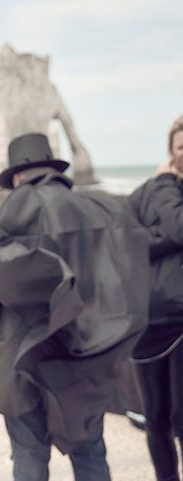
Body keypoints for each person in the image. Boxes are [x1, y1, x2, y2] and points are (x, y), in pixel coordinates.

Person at [0, 132, 150, 481]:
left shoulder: (5, 214)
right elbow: (125, 272)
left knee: (29, 459)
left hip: (19, 358)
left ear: (17, 177)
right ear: (50, 166)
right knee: (90, 453)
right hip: (83, 357)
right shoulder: (97, 209)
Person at [127, 115, 183, 481]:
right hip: (148, 324)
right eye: (181, 147)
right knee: (156, 418)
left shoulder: (160, 187)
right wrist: (166, 240)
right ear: (170, 152)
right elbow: (123, 241)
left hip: (181, 323)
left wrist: (165, 235)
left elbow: (176, 226)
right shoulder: (149, 191)